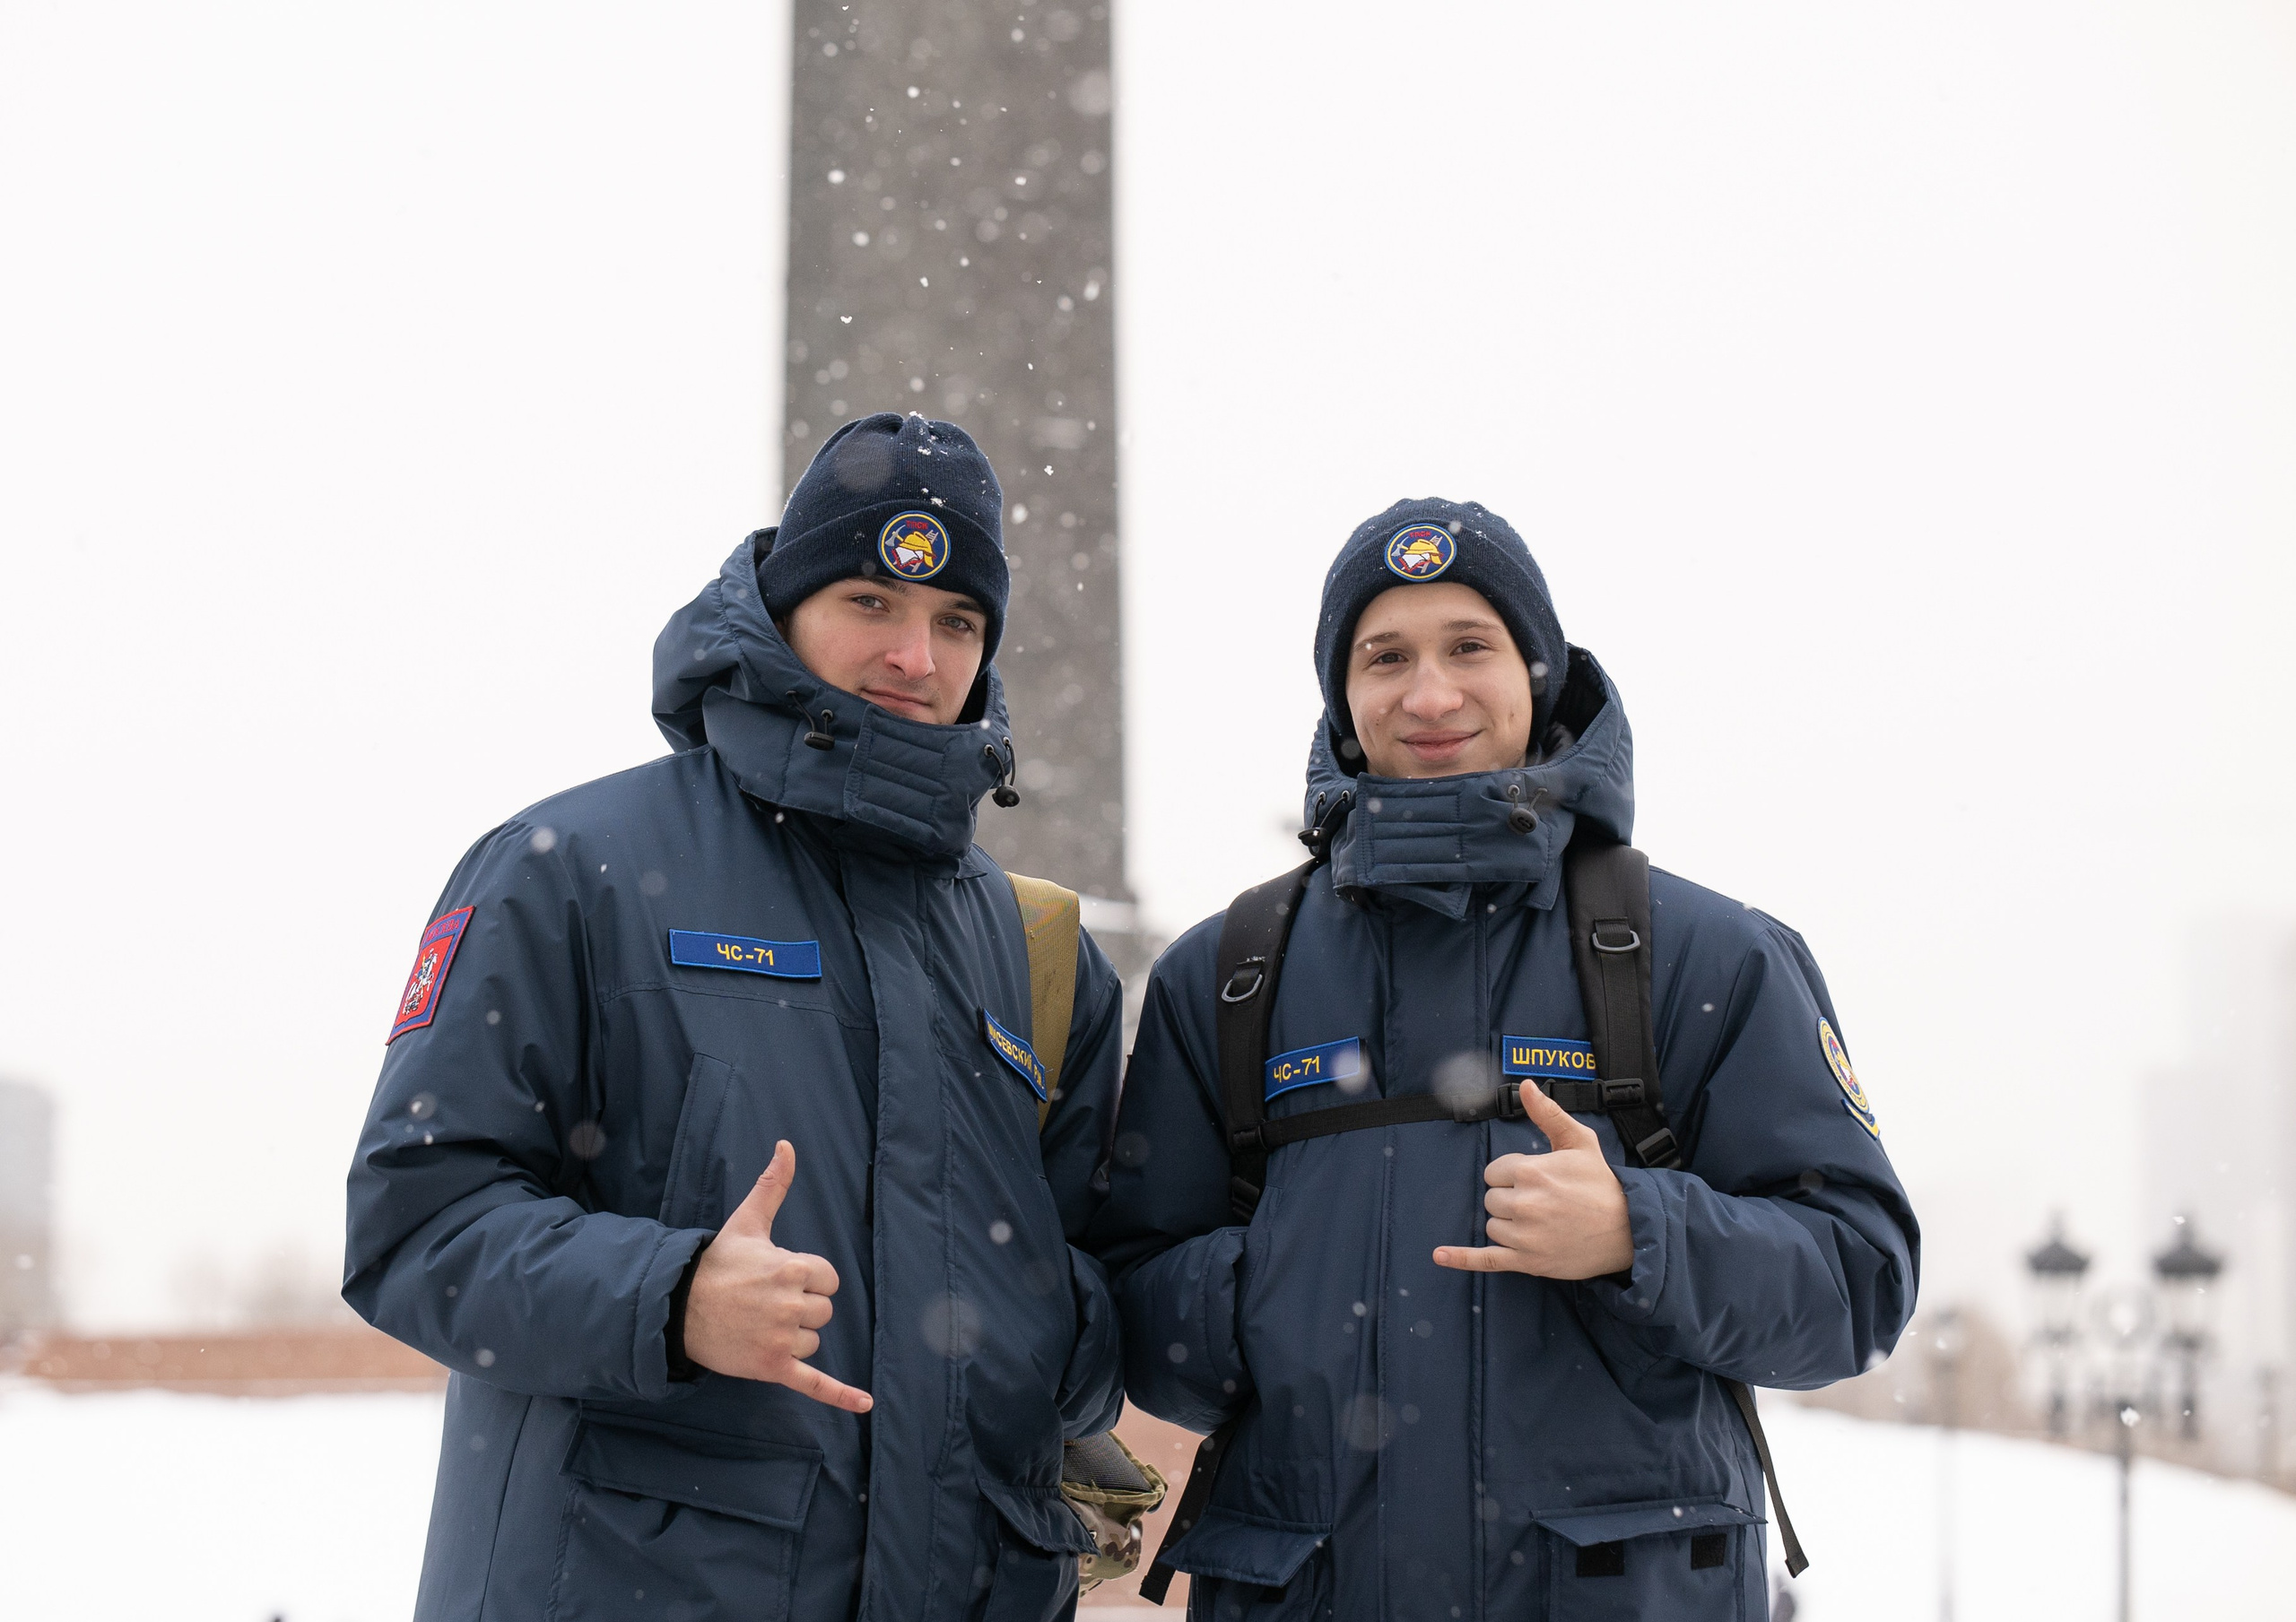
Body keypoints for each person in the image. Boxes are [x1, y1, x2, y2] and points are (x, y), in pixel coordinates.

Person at [344, 412, 1125, 1622]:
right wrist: (668, 1293)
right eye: (871, 600)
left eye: (957, 621)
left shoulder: (1040, 955)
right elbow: (415, 1226)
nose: (916, 655)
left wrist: (1045, 1364)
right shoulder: (566, 869)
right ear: (780, 604)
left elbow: (1084, 1284)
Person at [1089, 499, 1919, 1619]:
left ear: (1537, 669)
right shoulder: (1228, 974)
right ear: (1344, 691)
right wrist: (1274, 1281)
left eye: (1468, 647)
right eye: (1386, 656)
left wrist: (1641, 1230)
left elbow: (1856, 1285)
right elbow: (1131, 1316)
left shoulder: (1709, 956)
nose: (1429, 695)